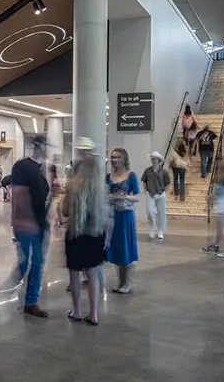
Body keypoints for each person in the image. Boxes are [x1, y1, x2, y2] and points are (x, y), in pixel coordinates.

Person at [61, 138, 108, 325]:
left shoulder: (72, 185)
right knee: (93, 273)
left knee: (74, 274)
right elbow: (104, 215)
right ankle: (94, 314)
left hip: (75, 233)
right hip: (95, 234)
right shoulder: (101, 188)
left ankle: (77, 311)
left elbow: (65, 211)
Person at [11, 136, 51, 317]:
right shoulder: (22, 167)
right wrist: (21, 221)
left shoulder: (41, 171)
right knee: (27, 262)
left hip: (39, 224)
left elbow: (44, 197)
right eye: (46, 146)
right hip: (27, 223)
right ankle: (16, 287)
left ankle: (31, 302)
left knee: (36, 263)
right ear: (39, 146)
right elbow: (19, 195)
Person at [107, 148, 140, 294]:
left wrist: (126, 197)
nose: (114, 160)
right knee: (116, 248)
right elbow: (103, 194)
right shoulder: (108, 177)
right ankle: (120, 281)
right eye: (112, 157)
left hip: (126, 216)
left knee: (126, 247)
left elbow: (137, 196)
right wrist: (111, 197)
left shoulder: (131, 176)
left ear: (124, 159)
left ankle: (127, 282)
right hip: (112, 216)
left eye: (117, 157)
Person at [204, 157, 224, 258]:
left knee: (222, 229)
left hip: (223, 206)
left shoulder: (221, 180)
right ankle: (215, 245)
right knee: (219, 228)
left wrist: (209, 199)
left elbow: (216, 194)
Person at [141, 151, 169, 240]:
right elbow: (144, 180)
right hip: (151, 193)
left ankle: (160, 230)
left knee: (161, 213)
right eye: (152, 159)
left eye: (155, 159)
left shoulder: (164, 171)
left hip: (161, 193)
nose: (153, 160)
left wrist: (165, 192)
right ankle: (152, 228)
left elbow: (168, 183)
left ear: (158, 160)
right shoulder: (147, 171)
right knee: (150, 211)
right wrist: (146, 190)